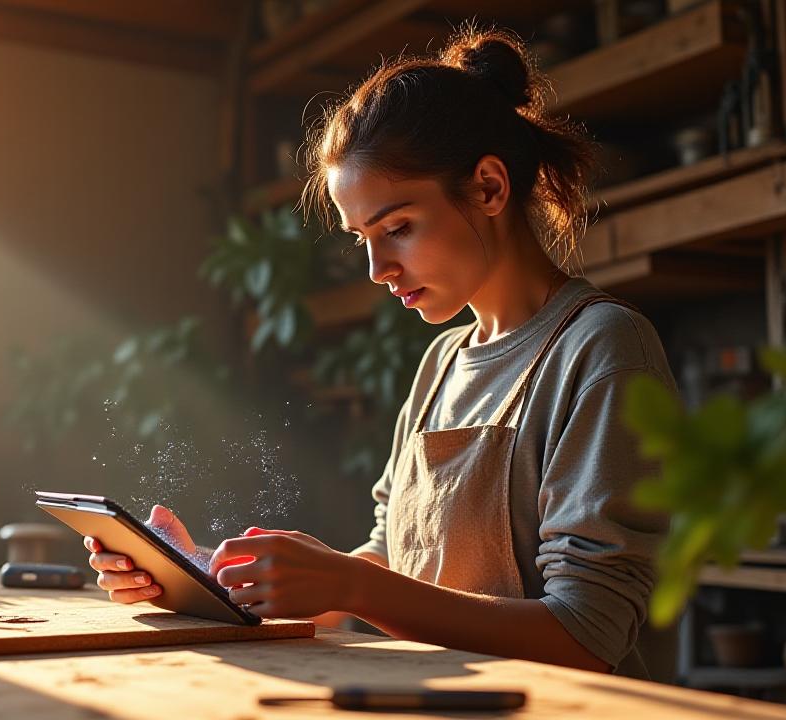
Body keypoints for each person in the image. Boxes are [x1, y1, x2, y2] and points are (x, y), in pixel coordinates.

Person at [84, 28, 676, 678]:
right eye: (363, 237)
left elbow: (586, 634)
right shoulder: (443, 363)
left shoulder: (600, 348)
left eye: (397, 228)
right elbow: (394, 559)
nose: (377, 268)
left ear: (487, 188)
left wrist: (350, 586)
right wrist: (212, 582)